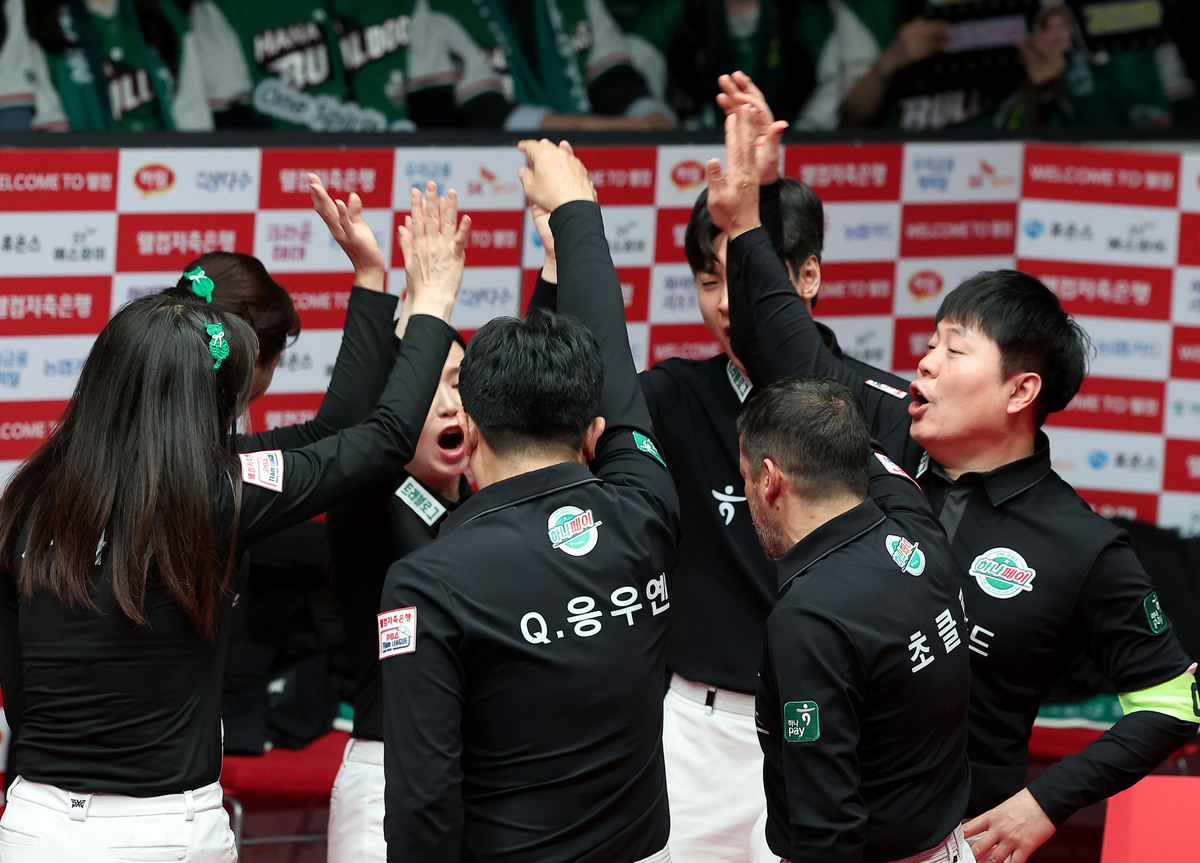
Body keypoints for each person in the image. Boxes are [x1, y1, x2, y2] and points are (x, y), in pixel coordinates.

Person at [714, 97, 1200, 863]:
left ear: (1020, 390)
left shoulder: (1080, 544)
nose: (926, 363)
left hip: (953, 842)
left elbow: (1173, 699)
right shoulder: (879, 432)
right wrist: (754, 211)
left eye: (954, 348)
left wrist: (1047, 800)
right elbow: (783, 346)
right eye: (930, 343)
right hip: (816, 824)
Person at [0, 183, 469, 861]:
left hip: (34, 825)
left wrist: (373, 282)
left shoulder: (26, 498)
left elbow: (20, 695)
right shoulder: (218, 492)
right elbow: (384, 437)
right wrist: (432, 300)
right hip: (162, 829)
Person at [628, 70, 918, 863]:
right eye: (708, 279)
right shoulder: (671, 395)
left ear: (808, 276)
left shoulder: (885, 410)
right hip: (697, 733)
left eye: (745, 273)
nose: (726, 300)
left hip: (839, 731)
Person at [378, 139, 679, 863]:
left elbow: (423, 801)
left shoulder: (427, 581)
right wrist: (576, 214)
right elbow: (616, 373)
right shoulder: (645, 507)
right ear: (591, 430)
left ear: (472, 423)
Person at [739, 376, 972, 863]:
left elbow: (828, 829)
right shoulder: (917, 527)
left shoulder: (808, 619)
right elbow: (869, 455)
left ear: (769, 478)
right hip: (949, 846)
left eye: (745, 478)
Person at [433, 0, 676, 131]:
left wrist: (652, 117)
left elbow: (614, 80)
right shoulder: (445, 8)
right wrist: (598, 129)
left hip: (585, 167)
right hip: (497, 174)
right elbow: (483, 112)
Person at [626, 0, 816, 130]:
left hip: (782, 144)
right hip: (688, 149)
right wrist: (663, 125)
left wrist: (801, 136)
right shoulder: (669, 11)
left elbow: (824, 107)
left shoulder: (806, 14)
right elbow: (633, 82)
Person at [25, 0, 212, 130]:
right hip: (90, 164)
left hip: (162, 164)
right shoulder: (48, 23)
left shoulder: (165, 15)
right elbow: (50, 119)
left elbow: (192, 111)